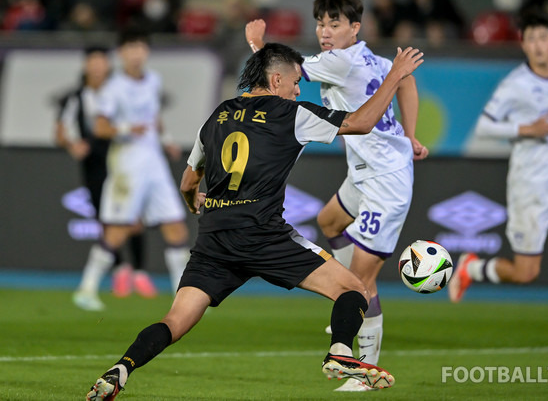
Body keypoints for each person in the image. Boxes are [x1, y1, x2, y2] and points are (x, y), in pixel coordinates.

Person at [85, 42, 424, 400]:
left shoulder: (216, 115)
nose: (298, 90)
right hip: (264, 235)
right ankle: (340, 352)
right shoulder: (291, 113)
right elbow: (362, 122)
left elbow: (188, 182)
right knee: (354, 289)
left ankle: (122, 367)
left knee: (175, 321)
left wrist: (193, 203)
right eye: (295, 82)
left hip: (214, 238)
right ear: (276, 80)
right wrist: (395, 75)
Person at [245, 0, 428, 391]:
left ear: (355, 28)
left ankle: (366, 369)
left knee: (361, 284)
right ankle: (348, 306)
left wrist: (257, 42)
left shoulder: (339, 62)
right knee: (329, 220)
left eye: (334, 23)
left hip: (385, 182)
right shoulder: (377, 59)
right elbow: (407, 83)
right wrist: (411, 135)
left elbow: (284, 73)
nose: (324, 31)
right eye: (320, 23)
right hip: (364, 172)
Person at [448, 8, 548, 356]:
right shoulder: (515, 85)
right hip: (530, 188)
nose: (538, 45)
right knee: (526, 272)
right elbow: (486, 125)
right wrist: (526, 130)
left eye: (543, 38)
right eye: (531, 39)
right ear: (524, 44)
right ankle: (474, 267)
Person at [73, 29, 190, 312]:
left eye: (140, 46)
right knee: (118, 230)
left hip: (154, 163)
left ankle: (183, 295)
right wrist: (127, 128)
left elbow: (154, 117)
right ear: (121, 53)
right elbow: (100, 128)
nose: (136, 53)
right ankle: (86, 288)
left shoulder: (153, 80)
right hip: (127, 163)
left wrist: (167, 141)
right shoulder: (112, 88)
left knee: (175, 226)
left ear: (146, 52)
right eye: (130, 47)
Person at [56, 46, 152, 306]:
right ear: (86, 66)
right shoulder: (76, 97)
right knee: (106, 219)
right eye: (93, 62)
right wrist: (72, 145)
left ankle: (139, 272)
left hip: (122, 161)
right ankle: (120, 269)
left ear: (107, 66)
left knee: (134, 217)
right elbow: (62, 130)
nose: (97, 67)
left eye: (101, 62)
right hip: (94, 167)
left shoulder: (118, 92)